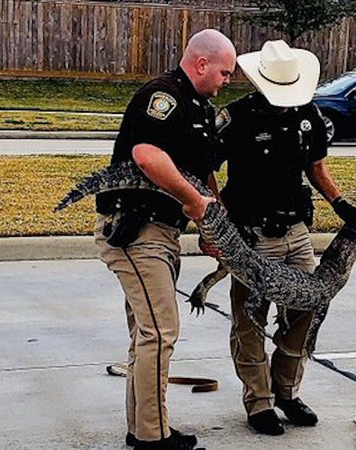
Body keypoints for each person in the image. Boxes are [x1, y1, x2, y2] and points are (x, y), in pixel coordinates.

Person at [210, 40, 356, 436]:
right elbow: (204, 168)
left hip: (296, 230)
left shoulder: (308, 114)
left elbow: (316, 165)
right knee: (249, 319)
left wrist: (340, 202)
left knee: (306, 310)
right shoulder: (235, 117)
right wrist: (217, 218)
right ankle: (258, 403)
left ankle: (287, 393)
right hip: (250, 234)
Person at [94, 29, 236, 450]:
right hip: (137, 231)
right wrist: (194, 202)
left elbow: (204, 172)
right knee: (160, 331)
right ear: (202, 63)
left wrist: (214, 222)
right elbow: (147, 155)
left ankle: (142, 431)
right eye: (225, 73)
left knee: (146, 333)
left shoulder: (200, 108)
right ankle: (154, 438)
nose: (228, 80)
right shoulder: (163, 97)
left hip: (163, 231)